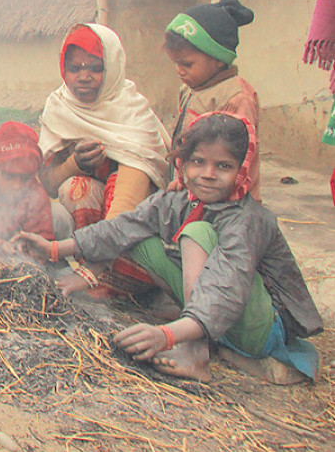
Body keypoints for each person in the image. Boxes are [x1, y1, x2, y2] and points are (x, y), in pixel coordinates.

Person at [22, 113, 323, 383]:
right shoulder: (181, 201)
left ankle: (195, 349)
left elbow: (226, 287)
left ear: (243, 169)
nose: (208, 173)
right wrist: (53, 249)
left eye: (224, 166)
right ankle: (198, 334)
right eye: (198, 162)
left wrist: (166, 335)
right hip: (218, 320)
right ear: (183, 163)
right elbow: (122, 227)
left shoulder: (247, 219)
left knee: (196, 233)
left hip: (262, 327)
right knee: (138, 234)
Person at [39, 23, 170, 296]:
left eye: (95, 68)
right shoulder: (60, 106)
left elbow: (129, 197)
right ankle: (91, 271)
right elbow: (48, 184)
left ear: (112, 68)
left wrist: (94, 268)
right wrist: (75, 163)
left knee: (118, 182)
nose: (83, 77)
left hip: (137, 224)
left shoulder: (131, 111)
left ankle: (113, 278)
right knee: (76, 188)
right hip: (94, 230)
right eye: (74, 68)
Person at [165, 0, 260, 198]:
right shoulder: (187, 91)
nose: (179, 71)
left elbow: (241, 157)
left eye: (187, 64)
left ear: (218, 59)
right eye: (176, 63)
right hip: (193, 190)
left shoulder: (236, 97)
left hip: (228, 199)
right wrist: (181, 179)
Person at [0, 121, 73, 258]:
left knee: (59, 215)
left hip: (24, 259)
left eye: (24, 178)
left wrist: (28, 250)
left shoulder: (34, 193)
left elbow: (43, 238)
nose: (17, 185)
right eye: (9, 176)